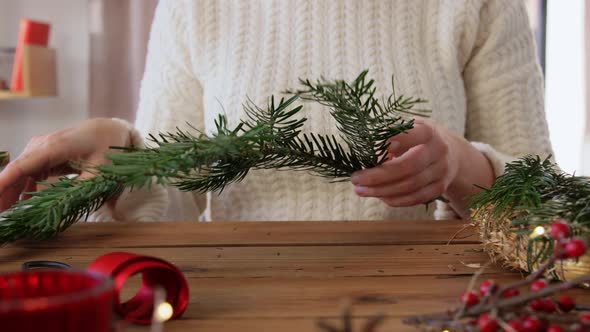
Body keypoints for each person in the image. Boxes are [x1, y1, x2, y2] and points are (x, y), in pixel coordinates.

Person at [0, 0, 552, 222]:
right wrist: (122, 154)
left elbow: (551, 207)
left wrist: (461, 165)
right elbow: (173, 201)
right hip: (243, 306)